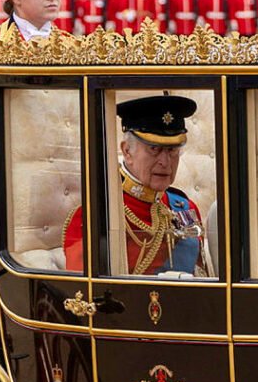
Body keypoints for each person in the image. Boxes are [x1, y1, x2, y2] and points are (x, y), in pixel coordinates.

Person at [62, 95, 210, 276]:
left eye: (172, 150)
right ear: (127, 151)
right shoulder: (95, 217)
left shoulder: (185, 208)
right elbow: (86, 296)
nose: (165, 162)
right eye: (154, 149)